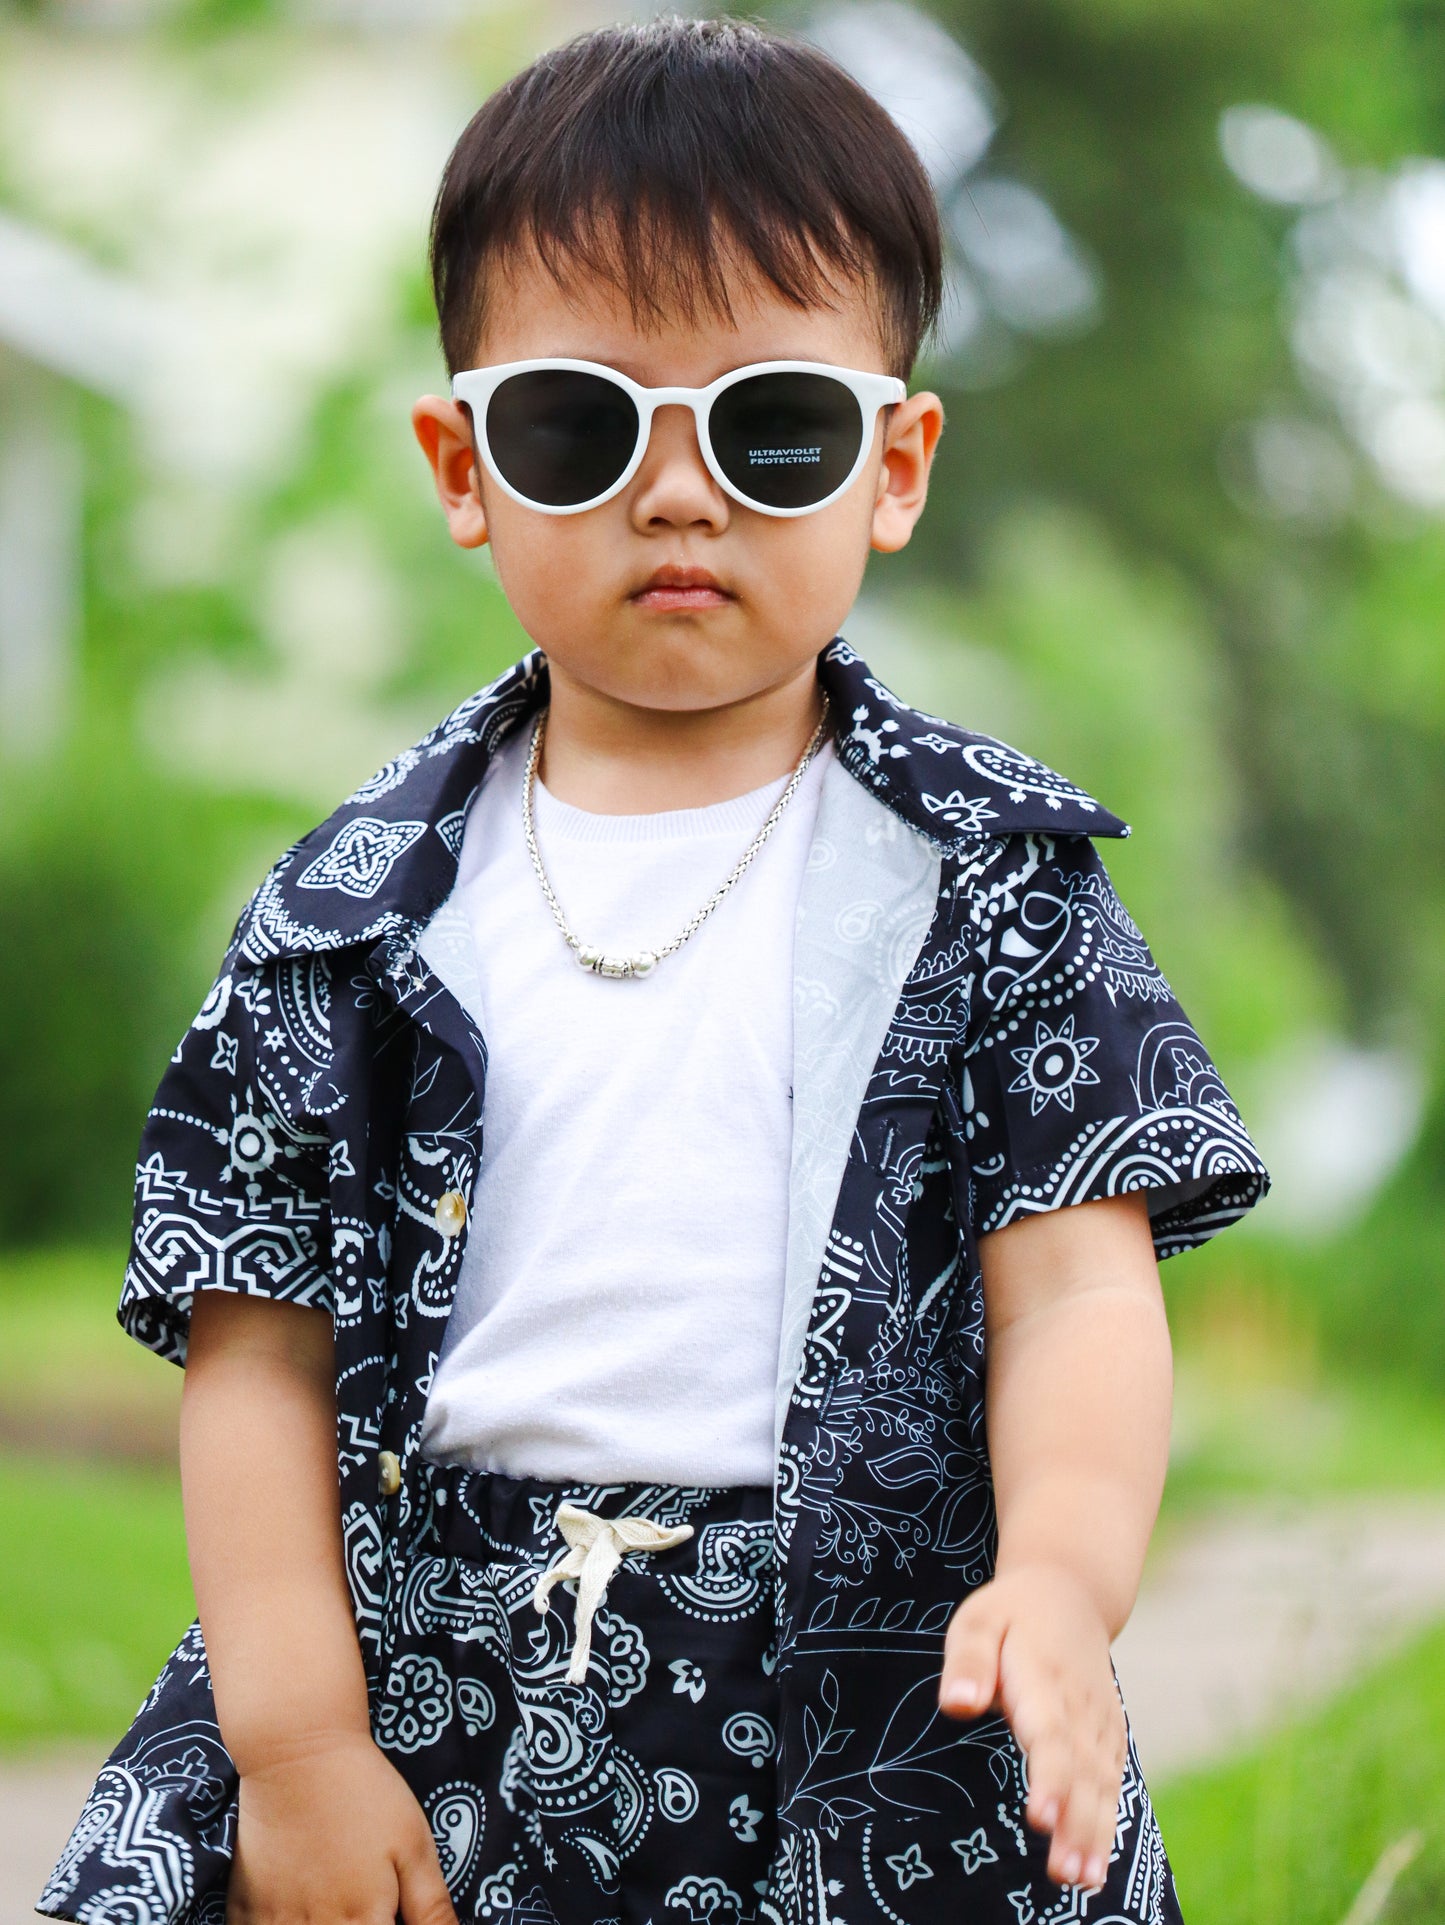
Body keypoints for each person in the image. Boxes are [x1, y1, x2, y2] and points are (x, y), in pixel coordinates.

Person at [38, 17, 1271, 1925]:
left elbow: (1075, 1304)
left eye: (772, 425)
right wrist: (291, 1745)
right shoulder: (343, 920)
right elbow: (255, 1358)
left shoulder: (994, 890)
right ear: (463, 463)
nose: (678, 493)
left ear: (894, 464)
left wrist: (1061, 1578)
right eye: (579, 424)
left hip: (875, 1688)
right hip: (425, 1673)